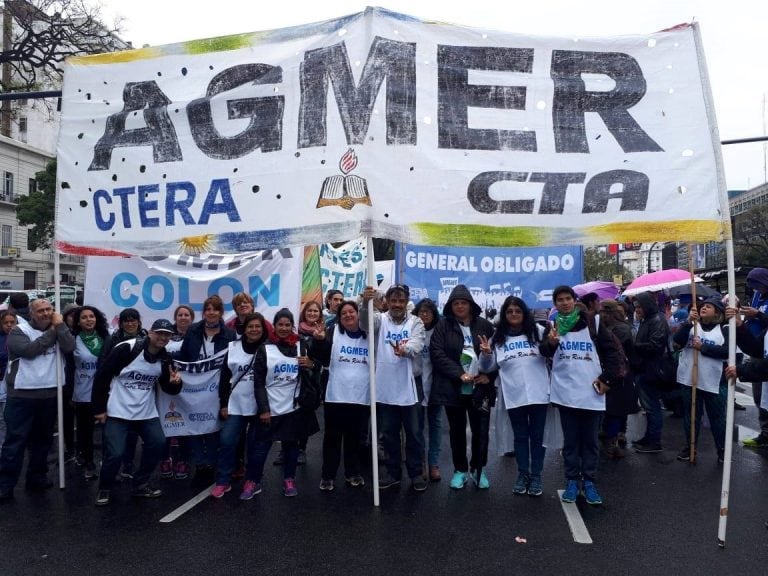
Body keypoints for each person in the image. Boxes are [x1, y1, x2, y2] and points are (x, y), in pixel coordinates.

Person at [539, 286, 623, 505]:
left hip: (591, 393)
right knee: (571, 442)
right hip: (565, 393)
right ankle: (572, 481)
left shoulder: (593, 323)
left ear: (575, 301)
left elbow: (614, 353)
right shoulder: (552, 326)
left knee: (590, 442)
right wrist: (551, 343)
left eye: (568, 299)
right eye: (560, 300)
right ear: (555, 304)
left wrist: (607, 380)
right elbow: (544, 353)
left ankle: (589, 482)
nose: (564, 303)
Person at [92, 319, 183, 506]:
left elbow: (168, 388)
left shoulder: (165, 358)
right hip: (118, 411)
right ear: (150, 332)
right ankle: (105, 487)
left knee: (157, 444)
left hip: (146, 412)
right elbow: (102, 376)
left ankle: (140, 483)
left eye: (167, 335)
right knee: (115, 453)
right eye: (159, 333)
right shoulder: (127, 348)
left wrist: (176, 383)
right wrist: (99, 409)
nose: (163, 337)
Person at [0, 298, 75, 500]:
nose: (46, 313)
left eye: (49, 309)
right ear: (32, 314)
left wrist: (60, 327)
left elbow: (69, 347)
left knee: (43, 441)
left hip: (49, 393)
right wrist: (54, 330)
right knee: (15, 441)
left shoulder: (59, 329)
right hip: (22, 395)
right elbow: (29, 351)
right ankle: (5, 484)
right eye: (41, 310)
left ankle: (37, 477)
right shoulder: (19, 331)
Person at [479, 296, 549, 496]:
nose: (514, 315)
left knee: (537, 437)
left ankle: (536, 476)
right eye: (510, 311)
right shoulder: (497, 338)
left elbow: (550, 352)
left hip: (539, 393)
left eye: (518, 311)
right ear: (504, 314)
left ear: (524, 313)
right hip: (513, 394)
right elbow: (488, 367)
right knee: (520, 437)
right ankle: (523, 473)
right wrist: (485, 354)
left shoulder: (539, 331)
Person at [360, 284, 427, 491]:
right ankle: (393, 472)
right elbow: (364, 325)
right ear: (387, 302)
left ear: (406, 302)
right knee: (388, 433)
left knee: (414, 433)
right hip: (386, 383)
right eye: (393, 301)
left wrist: (404, 349)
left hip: (410, 383)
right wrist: (365, 303)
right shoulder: (380, 320)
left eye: (401, 301)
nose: (397, 304)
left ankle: (416, 473)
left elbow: (418, 344)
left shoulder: (416, 322)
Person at [430, 284, 496, 490]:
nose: (460, 306)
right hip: (454, 387)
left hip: (480, 388)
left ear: (470, 305)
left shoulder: (484, 325)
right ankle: (460, 470)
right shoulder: (443, 326)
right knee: (456, 430)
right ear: (451, 306)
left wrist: (488, 376)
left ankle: (478, 469)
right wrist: (459, 373)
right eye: (456, 303)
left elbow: (498, 353)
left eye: (463, 303)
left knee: (481, 430)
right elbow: (437, 353)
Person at [248, 309, 320, 497]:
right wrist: (263, 409)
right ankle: (253, 481)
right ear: (275, 325)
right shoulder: (265, 348)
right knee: (261, 447)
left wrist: (311, 364)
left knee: (291, 445)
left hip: (294, 407)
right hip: (271, 407)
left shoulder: (301, 345)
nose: (284, 328)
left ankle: (289, 479)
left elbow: (316, 366)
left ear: (292, 326)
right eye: (280, 324)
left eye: (287, 325)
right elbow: (258, 382)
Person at [311, 300, 370, 491]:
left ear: (358, 314)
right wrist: (319, 341)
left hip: (361, 395)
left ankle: (352, 472)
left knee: (355, 438)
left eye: (351, 312)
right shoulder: (332, 332)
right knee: (332, 438)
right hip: (337, 394)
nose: (348, 315)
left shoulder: (369, 335)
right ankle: (328, 475)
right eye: (344, 313)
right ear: (339, 316)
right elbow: (321, 356)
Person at [210, 313, 270, 499]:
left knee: (254, 446)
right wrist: (223, 404)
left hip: (261, 407)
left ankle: (253, 480)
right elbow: (224, 379)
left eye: (258, 326)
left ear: (263, 329)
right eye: (250, 326)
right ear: (244, 329)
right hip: (236, 404)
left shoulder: (270, 349)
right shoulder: (233, 348)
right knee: (227, 441)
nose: (254, 330)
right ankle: (223, 481)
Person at [178, 295, 236, 485]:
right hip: (195, 387)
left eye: (215, 309)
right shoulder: (193, 330)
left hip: (217, 388)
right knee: (194, 426)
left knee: (212, 427)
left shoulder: (229, 335)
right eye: (208, 309)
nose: (211, 312)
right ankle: (200, 463)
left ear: (221, 313)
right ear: (203, 312)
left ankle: (210, 463)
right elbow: (184, 356)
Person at [672, 297, 728, 463]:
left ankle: (722, 449)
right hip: (690, 379)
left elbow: (726, 352)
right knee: (691, 416)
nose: (703, 308)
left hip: (714, 381)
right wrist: (688, 322)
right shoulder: (691, 326)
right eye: (702, 306)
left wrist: (703, 347)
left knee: (717, 417)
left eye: (708, 307)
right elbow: (676, 343)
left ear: (717, 312)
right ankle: (690, 447)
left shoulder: (724, 329)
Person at [100, 307, 148, 481]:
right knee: (113, 434)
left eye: (133, 320)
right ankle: (109, 467)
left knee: (132, 433)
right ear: (120, 323)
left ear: (138, 321)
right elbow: (103, 365)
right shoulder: (112, 339)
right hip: (116, 392)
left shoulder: (146, 338)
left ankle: (128, 464)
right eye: (126, 320)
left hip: (137, 394)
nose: (130, 323)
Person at [64, 305, 109, 479]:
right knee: (85, 431)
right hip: (82, 391)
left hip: (105, 391)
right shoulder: (73, 339)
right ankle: (88, 460)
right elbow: (68, 367)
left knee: (108, 430)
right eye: (84, 317)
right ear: (78, 321)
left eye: (91, 316)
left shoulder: (106, 337)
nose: (89, 320)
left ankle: (108, 462)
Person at [631, 291, 672, 453]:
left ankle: (654, 441)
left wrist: (634, 346)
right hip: (645, 368)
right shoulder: (649, 319)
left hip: (651, 370)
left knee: (652, 406)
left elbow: (655, 345)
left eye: (639, 306)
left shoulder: (656, 320)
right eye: (635, 306)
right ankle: (649, 437)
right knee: (649, 407)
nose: (637, 309)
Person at [598, 300, 638, 459]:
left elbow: (614, 352)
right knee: (610, 409)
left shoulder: (621, 329)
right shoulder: (608, 327)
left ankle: (612, 441)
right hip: (610, 373)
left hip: (620, 375)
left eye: (604, 313)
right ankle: (609, 436)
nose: (602, 316)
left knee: (615, 410)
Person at [160, 304, 195, 479]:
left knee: (185, 422)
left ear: (192, 318)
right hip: (165, 385)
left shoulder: (196, 335)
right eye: (180, 315)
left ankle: (183, 460)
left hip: (187, 386)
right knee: (165, 420)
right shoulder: (166, 334)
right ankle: (165, 458)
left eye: (186, 315)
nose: (183, 317)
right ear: (175, 318)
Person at [412, 298, 443, 482]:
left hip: (435, 386)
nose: (425, 315)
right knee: (417, 427)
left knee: (436, 425)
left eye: (428, 312)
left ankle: (434, 463)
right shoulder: (412, 330)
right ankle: (420, 463)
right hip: (415, 384)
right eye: (421, 312)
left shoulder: (439, 331)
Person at [740, 268, 768, 448]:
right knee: (760, 397)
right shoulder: (758, 297)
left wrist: (757, 314)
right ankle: (765, 433)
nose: (755, 288)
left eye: (757, 284)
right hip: (759, 349)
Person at [0, 311, 18, 448]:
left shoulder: (21, 337)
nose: (9, 325)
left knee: (9, 419)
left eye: (12, 322)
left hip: (12, 386)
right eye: (6, 322)